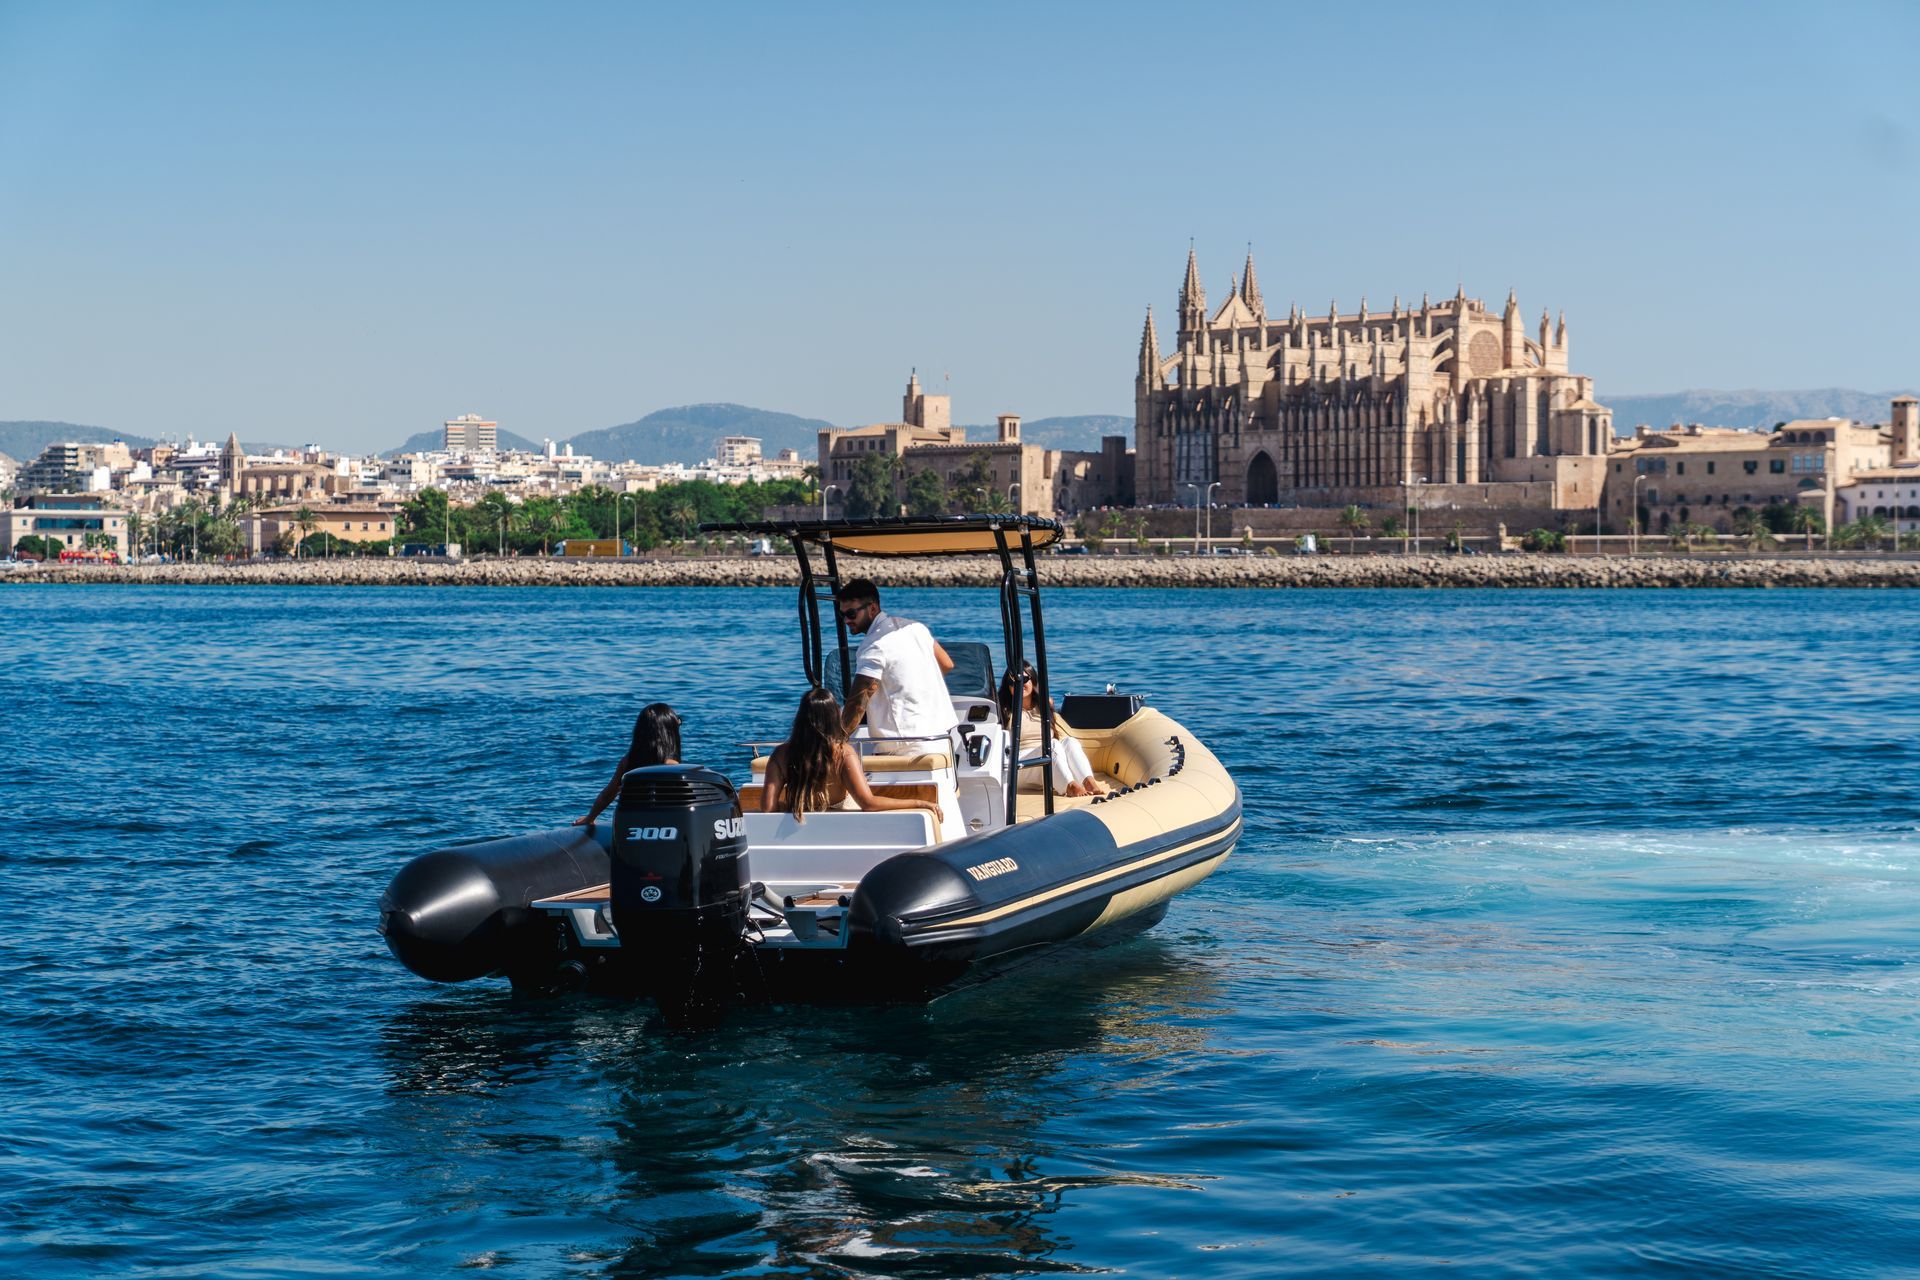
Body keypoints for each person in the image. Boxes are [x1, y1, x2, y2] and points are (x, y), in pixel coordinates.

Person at [762, 687, 943, 823]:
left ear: (800, 717)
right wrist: (920, 803)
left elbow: (768, 808)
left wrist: (793, 807)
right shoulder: (843, 754)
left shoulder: (780, 755)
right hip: (843, 825)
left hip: (797, 823)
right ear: (835, 717)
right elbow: (868, 804)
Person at [836, 578, 955, 746]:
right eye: (842, 614)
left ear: (873, 608)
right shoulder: (915, 627)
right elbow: (946, 664)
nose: (846, 620)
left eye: (851, 614)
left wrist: (835, 741)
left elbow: (858, 701)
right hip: (941, 738)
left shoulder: (873, 645)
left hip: (904, 746)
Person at [997, 661, 1108, 798]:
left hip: (1046, 763)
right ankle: (1071, 786)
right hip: (1020, 765)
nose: (1018, 684)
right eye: (1011, 681)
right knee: (1053, 745)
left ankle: (1090, 783)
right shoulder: (1003, 709)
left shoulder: (1045, 704)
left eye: (1023, 679)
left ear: (1033, 679)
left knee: (1070, 742)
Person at [573, 702, 682, 827]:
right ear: (670, 733)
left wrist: (590, 818)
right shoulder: (673, 767)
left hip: (628, 824)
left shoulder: (628, 761)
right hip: (662, 827)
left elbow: (608, 795)